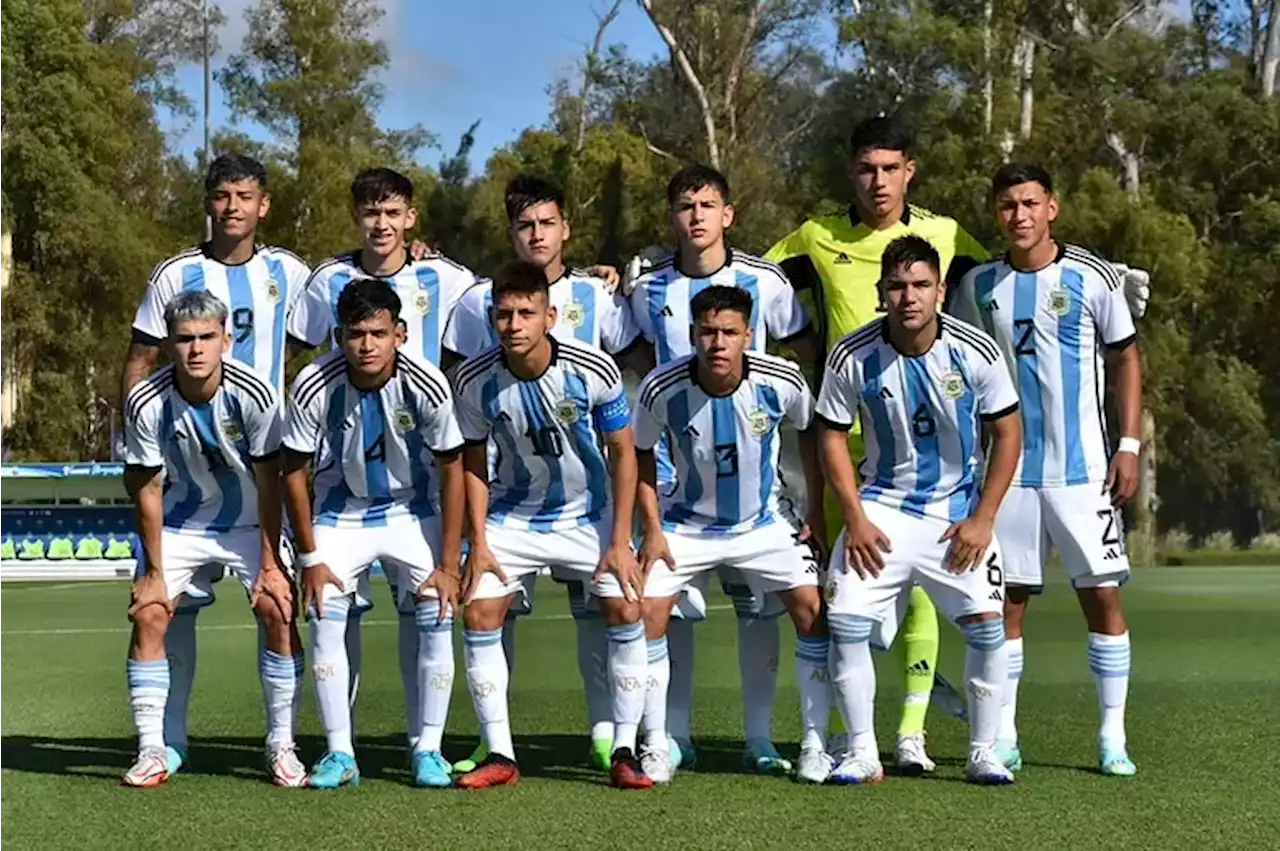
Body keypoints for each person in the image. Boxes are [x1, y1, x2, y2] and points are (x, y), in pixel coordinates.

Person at [765, 116, 988, 771]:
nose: (879, 181)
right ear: (851, 173)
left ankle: (912, 734)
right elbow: (748, 280)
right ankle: (849, 736)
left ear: (910, 170)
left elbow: (1004, 277)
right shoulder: (817, 235)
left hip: (926, 451)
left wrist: (1097, 278)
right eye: (867, 169)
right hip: (840, 443)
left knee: (917, 586)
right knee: (846, 597)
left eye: (891, 168)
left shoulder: (945, 235)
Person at [442, 175, 650, 773]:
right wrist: (476, 544)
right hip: (514, 513)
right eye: (504, 315)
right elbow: (473, 460)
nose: (513, 323)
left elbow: (623, 448)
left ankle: (626, 745)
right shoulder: (476, 378)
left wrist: (620, 537)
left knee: (622, 608)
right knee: (481, 609)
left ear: (550, 315)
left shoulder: (595, 364)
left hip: (589, 514)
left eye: (524, 314)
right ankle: (500, 750)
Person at [121, 153, 311, 777]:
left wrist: (411, 259)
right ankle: (159, 745)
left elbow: (353, 306)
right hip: (182, 493)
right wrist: (133, 429)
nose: (232, 206)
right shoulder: (176, 273)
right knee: (155, 608)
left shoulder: (290, 272)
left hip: (260, 480)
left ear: (265, 205)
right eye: (221, 194)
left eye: (244, 195)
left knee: (277, 604)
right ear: (208, 202)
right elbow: (141, 357)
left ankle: (282, 742)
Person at [627, 164, 821, 774]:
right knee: (667, 609)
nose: (697, 216)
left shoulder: (765, 280)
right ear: (672, 217)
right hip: (674, 474)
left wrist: (806, 494)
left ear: (728, 214)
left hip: (755, 477)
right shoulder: (646, 288)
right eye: (685, 206)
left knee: (763, 608)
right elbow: (627, 348)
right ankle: (669, 736)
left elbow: (804, 354)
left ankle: (764, 740)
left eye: (708, 205)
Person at [950, 163, 1142, 777]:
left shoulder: (1093, 277)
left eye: (1030, 203)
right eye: (1007, 205)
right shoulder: (980, 286)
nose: (1020, 215)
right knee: (1008, 602)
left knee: (1101, 598)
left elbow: (1127, 359)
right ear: (996, 212)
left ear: (1052, 207)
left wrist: (1130, 444)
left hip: (1085, 473)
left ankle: (1112, 738)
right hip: (1009, 477)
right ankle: (1003, 734)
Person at [816, 235, 1022, 786]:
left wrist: (983, 518)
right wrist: (855, 517)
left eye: (921, 285)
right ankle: (862, 751)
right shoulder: (852, 355)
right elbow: (830, 437)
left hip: (956, 515)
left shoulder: (976, 352)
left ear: (941, 291)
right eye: (898, 286)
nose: (910, 296)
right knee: (846, 624)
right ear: (882, 292)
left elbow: (1008, 432)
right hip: (880, 511)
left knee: (986, 629)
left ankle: (985, 751)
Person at [284, 167, 476, 757]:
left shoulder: (449, 281)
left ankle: (428, 750)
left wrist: (450, 560)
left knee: (435, 608)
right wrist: (310, 556)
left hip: (414, 502)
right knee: (326, 610)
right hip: (343, 506)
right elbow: (294, 461)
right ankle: (338, 751)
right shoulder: (325, 296)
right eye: (371, 212)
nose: (382, 224)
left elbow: (516, 302)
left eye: (393, 213)